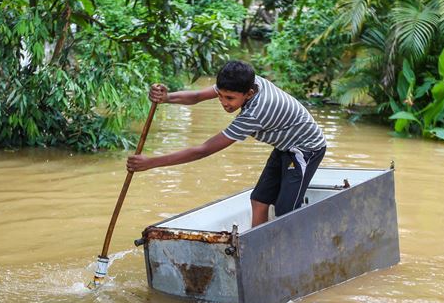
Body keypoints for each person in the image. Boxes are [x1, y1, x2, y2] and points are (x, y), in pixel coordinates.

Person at [127, 60, 326, 227]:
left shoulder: (256, 112)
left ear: (249, 93)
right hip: (284, 145)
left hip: (306, 149)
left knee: (286, 211)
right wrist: (166, 98)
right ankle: (256, 249)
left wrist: (151, 163)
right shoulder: (244, 81)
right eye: (220, 96)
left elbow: (203, 150)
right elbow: (196, 97)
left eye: (230, 98)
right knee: (259, 200)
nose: (224, 102)